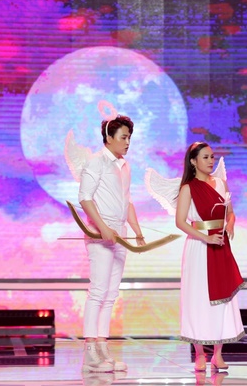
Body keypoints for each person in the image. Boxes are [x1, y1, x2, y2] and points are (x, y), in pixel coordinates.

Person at [78, 115, 145, 372]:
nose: (127, 142)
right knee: (97, 292)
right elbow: (85, 198)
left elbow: (127, 201)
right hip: (100, 234)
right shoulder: (96, 161)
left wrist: (136, 230)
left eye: (129, 138)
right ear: (109, 137)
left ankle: (102, 348)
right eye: (123, 137)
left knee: (110, 294)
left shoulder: (124, 166)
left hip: (120, 234)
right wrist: (103, 228)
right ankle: (90, 355)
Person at [175, 142, 245, 372]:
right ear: (193, 161)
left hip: (220, 245)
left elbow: (230, 213)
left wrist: (230, 224)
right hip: (199, 246)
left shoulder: (221, 183)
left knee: (222, 299)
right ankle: (199, 354)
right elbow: (180, 222)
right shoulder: (188, 188)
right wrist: (206, 238)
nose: (210, 161)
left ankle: (217, 354)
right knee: (198, 299)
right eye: (205, 157)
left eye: (212, 157)